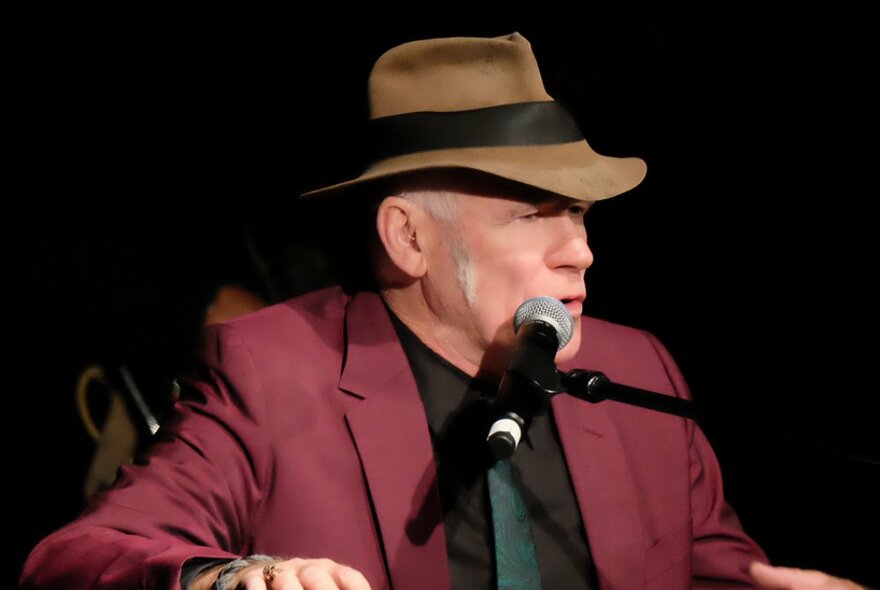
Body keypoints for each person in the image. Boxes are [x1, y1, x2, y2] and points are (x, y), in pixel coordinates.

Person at [20, 33, 868, 590]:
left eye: (581, 215)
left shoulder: (640, 370)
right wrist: (227, 579)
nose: (581, 252)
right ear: (410, 238)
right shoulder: (273, 371)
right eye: (538, 213)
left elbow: (713, 572)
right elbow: (74, 561)